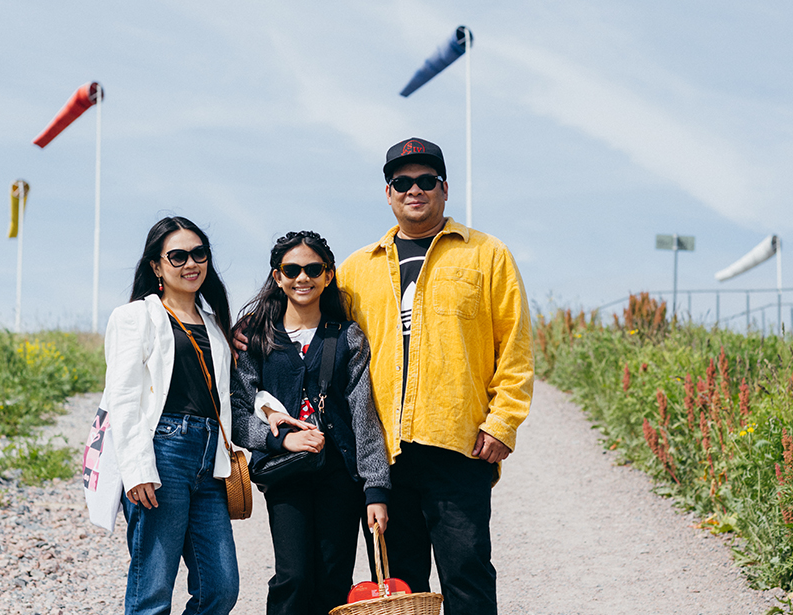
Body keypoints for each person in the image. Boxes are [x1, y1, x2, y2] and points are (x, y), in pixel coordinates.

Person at [337, 138, 534, 615]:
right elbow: (312, 325)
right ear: (388, 193)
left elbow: (516, 348)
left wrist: (502, 423)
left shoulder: (487, 255)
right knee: (400, 590)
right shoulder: (356, 270)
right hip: (384, 456)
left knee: (467, 577)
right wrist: (248, 330)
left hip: (458, 446)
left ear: (444, 189)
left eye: (426, 181)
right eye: (402, 183)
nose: (414, 190)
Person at [230, 230, 391, 615]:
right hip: (286, 475)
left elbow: (364, 417)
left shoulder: (348, 336)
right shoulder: (257, 339)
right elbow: (237, 412)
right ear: (277, 276)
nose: (303, 277)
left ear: (329, 275)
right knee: (294, 577)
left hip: (340, 477)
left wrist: (377, 489)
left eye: (313, 269)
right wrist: (281, 440)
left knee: (334, 579)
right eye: (292, 269)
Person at [103, 216, 239, 615]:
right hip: (162, 452)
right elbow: (123, 397)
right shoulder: (135, 317)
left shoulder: (217, 326)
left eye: (199, 254)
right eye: (177, 256)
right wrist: (137, 468)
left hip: (209, 459)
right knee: (153, 589)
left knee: (221, 588)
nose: (190, 263)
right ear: (156, 266)